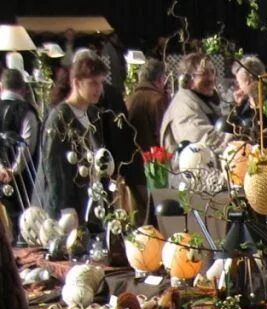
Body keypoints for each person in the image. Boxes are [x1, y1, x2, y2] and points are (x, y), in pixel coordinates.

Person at [32, 51, 108, 222]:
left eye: (101, 83)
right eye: (93, 83)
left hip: (89, 203)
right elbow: (54, 168)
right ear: (77, 83)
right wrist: (64, 210)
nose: (99, 89)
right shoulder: (60, 118)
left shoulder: (93, 114)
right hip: (67, 208)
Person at [160, 53, 231, 152]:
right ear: (186, 80)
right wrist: (236, 140)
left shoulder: (201, 101)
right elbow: (202, 140)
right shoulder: (183, 107)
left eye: (213, 72)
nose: (211, 78)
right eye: (204, 73)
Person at [0, 68, 41, 228]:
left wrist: (1, 168)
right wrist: (14, 170)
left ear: (1, 87)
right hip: (21, 180)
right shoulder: (27, 111)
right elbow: (28, 145)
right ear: (23, 89)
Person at [126, 59, 168, 151]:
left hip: (132, 155)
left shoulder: (128, 100)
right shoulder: (158, 100)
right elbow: (162, 135)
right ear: (160, 79)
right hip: (153, 159)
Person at [225, 55, 265, 140]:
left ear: (248, 81)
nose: (238, 86)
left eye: (239, 82)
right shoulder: (246, 103)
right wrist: (238, 105)